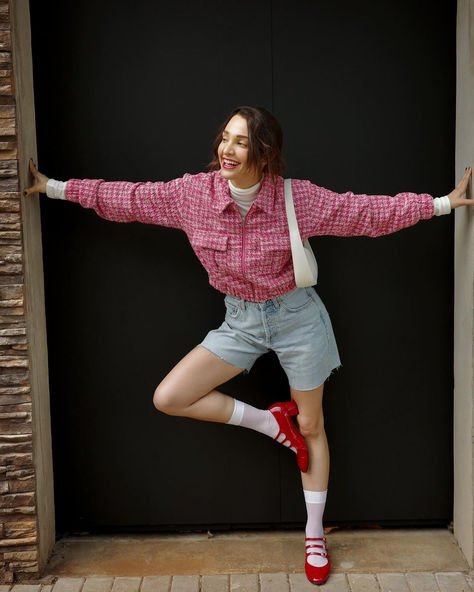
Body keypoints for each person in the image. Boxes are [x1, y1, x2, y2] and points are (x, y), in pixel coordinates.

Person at [24, 105, 472, 586]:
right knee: (170, 397)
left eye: (241, 141)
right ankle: (271, 423)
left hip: (298, 319)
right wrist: (53, 188)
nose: (227, 149)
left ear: (265, 153)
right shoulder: (192, 193)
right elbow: (129, 198)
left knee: (314, 426)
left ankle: (315, 534)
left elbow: (363, 213)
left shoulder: (294, 198)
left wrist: (443, 203)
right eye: (225, 137)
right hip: (239, 322)